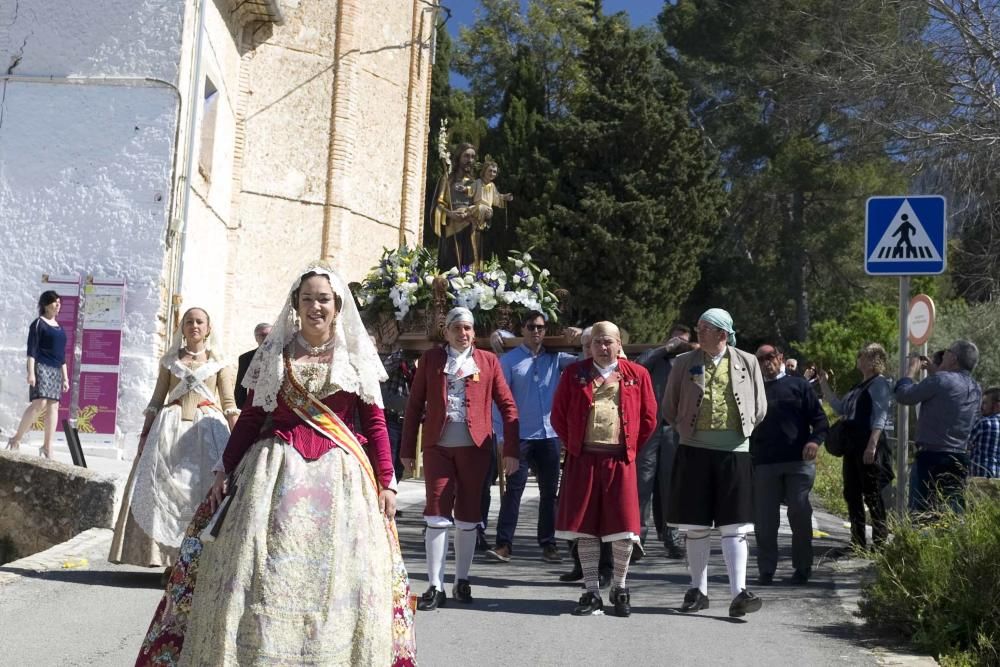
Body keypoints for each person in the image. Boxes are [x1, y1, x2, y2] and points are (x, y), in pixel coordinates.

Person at [135, 264, 415, 666]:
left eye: (324, 299)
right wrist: (224, 469)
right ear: (296, 306)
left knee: (335, 572)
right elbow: (251, 417)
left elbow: (373, 421)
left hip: (339, 475)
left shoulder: (355, 356)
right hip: (274, 470)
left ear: (337, 306)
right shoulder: (276, 354)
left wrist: (386, 481)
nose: (316, 306)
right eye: (308, 299)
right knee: (260, 565)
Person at [401, 306, 519, 610]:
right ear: (446, 332)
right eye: (457, 328)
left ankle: (462, 580)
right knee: (437, 512)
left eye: (468, 328)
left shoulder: (488, 361)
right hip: (438, 446)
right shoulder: (431, 359)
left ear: (473, 332)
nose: (463, 334)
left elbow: (508, 407)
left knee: (468, 515)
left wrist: (511, 450)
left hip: (475, 449)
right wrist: (405, 452)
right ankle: (434, 586)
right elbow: (414, 406)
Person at [109, 307, 238, 575]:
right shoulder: (170, 361)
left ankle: (197, 560)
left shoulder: (220, 363)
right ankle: (169, 560)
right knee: (164, 491)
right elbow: (157, 400)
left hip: (207, 430)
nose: (194, 326)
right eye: (189, 322)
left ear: (208, 327)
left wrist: (239, 442)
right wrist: (144, 435)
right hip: (168, 431)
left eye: (199, 321)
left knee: (200, 491)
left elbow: (228, 404)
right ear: (182, 327)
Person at [663, 308, 767, 618]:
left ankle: (739, 593)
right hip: (694, 450)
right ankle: (698, 590)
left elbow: (760, 407)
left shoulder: (747, 362)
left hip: (735, 451)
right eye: (698, 327)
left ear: (723, 334)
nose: (699, 333)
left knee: (735, 525)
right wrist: (686, 427)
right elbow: (669, 406)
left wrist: (741, 431)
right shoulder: (684, 363)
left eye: (705, 328)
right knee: (695, 525)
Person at [551, 321, 657, 617]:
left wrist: (629, 447)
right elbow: (559, 414)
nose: (603, 347)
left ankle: (620, 587)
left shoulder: (638, 375)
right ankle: (591, 591)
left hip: (619, 461)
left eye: (608, 341)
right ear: (590, 345)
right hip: (584, 460)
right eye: (597, 342)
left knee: (623, 528)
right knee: (585, 528)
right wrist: (575, 445)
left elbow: (649, 418)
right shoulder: (574, 374)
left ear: (619, 344)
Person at [486, 311, 576, 564]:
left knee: (550, 493)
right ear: (522, 330)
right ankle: (504, 544)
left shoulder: (557, 358)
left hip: (549, 434)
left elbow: (586, 358)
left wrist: (578, 332)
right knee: (514, 490)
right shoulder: (510, 360)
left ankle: (548, 544)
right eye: (531, 327)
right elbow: (498, 402)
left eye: (540, 327)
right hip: (521, 435)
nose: (536, 331)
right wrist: (503, 436)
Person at [751, 344, 828, 585]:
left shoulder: (799, 385)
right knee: (764, 520)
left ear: (780, 358)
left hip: (798, 462)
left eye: (770, 357)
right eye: (761, 359)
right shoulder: (753, 390)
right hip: (764, 463)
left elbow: (820, 420)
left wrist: (815, 441)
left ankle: (803, 567)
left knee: (800, 512)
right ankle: (766, 569)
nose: (766, 362)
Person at [818, 343, 894, 548]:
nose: (858, 360)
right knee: (852, 493)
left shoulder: (879, 384)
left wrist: (872, 445)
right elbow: (840, 407)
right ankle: (857, 541)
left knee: (872, 493)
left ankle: (879, 541)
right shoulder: (858, 387)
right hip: (852, 446)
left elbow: (880, 416)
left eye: (862, 356)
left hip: (868, 444)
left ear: (872, 361)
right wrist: (823, 384)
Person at [895, 340, 982, 514]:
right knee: (950, 514)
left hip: (931, 458)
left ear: (953, 359)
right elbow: (949, 388)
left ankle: (920, 541)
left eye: (947, 352)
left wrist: (910, 373)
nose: (944, 354)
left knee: (921, 513)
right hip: (958, 458)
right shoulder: (976, 388)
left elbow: (904, 396)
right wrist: (935, 370)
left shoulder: (940, 380)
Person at [634, 323, 695, 560]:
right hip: (649, 429)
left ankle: (672, 538)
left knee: (671, 486)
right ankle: (638, 538)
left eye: (683, 341)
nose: (679, 345)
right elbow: (638, 365)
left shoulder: (690, 363)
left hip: (674, 429)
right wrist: (666, 348)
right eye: (675, 341)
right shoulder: (656, 359)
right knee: (643, 484)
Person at [6, 291, 70, 458]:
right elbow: (31, 351)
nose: (58, 305)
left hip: (56, 370)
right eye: (55, 302)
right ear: (45, 305)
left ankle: (47, 447)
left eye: (59, 302)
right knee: (39, 404)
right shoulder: (38, 324)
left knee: (53, 407)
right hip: (41, 366)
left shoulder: (60, 328)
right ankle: (16, 438)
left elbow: (62, 355)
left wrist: (65, 378)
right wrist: (31, 373)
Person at [432, 142, 478, 272]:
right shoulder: (447, 179)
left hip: (469, 230)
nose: (470, 160)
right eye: (466, 156)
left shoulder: (475, 183)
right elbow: (438, 204)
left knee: (468, 269)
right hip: (451, 230)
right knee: (450, 269)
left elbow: (480, 204)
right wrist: (450, 214)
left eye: (473, 157)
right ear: (458, 157)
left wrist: (469, 213)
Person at [234, 322, 272, 407]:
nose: (267, 338)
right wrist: (242, 409)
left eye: (270, 335)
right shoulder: (245, 358)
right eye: (263, 335)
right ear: (256, 338)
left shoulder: (282, 356)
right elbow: (240, 388)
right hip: (255, 405)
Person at [969, 387, 1000, 479]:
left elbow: (966, 445)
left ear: (997, 405)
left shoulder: (984, 422)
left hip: (981, 477)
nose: (982, 406)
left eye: (985, 403)